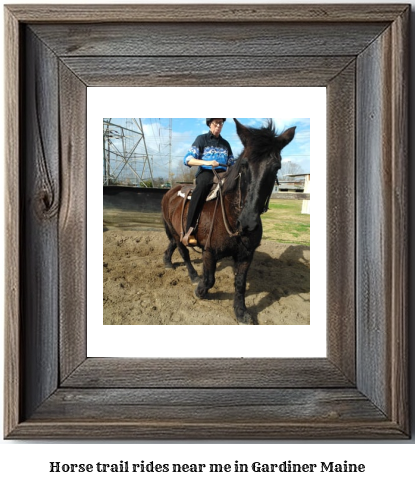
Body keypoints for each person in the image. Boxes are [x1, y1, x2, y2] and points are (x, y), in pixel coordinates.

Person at [181, 118, 235, 246]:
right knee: (202, 187)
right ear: (210, 124)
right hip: (206, 172)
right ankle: (190, 230)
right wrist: (207, 162)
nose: (218, 125)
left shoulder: (225, 144)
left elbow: (232, 163)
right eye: (216, 123)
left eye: (221, 123)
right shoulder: (201, 139)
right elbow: (188, 159)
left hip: (224, 173)